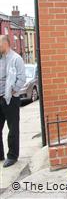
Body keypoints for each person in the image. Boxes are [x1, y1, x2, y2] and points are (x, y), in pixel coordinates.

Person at [0, 35, 26, 167]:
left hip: (10, 99)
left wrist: (13, 90)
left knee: (13, 129)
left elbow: (22, 78)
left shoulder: (16, 59)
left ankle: (12, 156)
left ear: (5, 44)